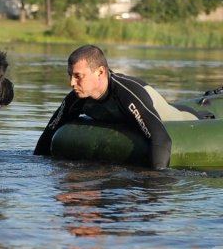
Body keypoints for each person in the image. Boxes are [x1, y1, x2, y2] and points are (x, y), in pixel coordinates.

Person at [34, 44, 202, 170]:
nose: (72, 83)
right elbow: (49, 133)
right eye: (70, 76)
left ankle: (204, 114)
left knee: (184, 116)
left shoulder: (126, 93)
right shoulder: (76, 99)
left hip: (167, 114)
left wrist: (155, 179)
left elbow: (161, 138)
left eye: (78, 76)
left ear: (100, 72)